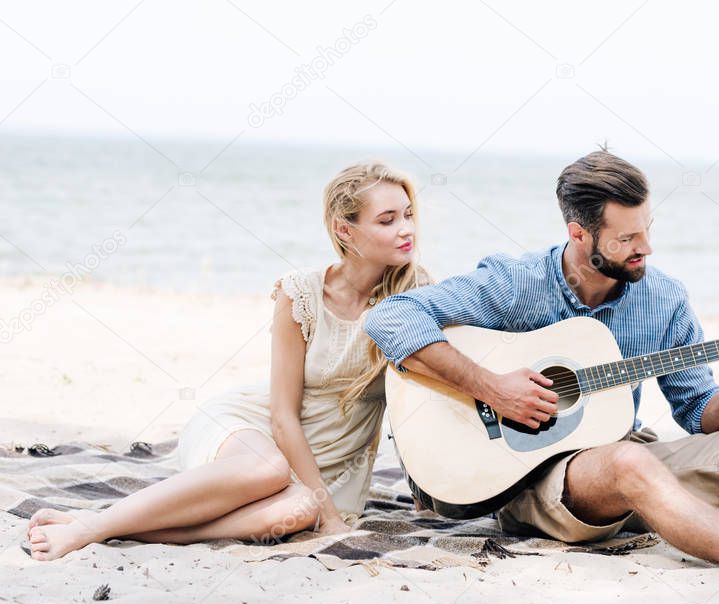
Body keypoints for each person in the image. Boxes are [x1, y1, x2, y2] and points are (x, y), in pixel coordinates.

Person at [364, 149, 719, 592]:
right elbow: (391, 316)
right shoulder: (515, 284)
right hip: (534, 483)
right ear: (579, 234)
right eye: (627, 238)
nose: (645, 248)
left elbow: (700, 416)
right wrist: (492, 387)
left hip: (628, 466)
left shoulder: (664, 298)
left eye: (647, 229)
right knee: (628, 460)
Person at [28, 162, 427, 560]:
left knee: (300, 509)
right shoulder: (301, 293)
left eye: (408, 215)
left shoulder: (417, 295)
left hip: (329, 468)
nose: (406, 229)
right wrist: (327, 511)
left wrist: (419, 493)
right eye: (388, 220)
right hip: (253, 431)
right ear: (345, 230)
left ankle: (129, 530)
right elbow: (282, 417)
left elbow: (420, 402)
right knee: (267, 469)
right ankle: (91, 527)